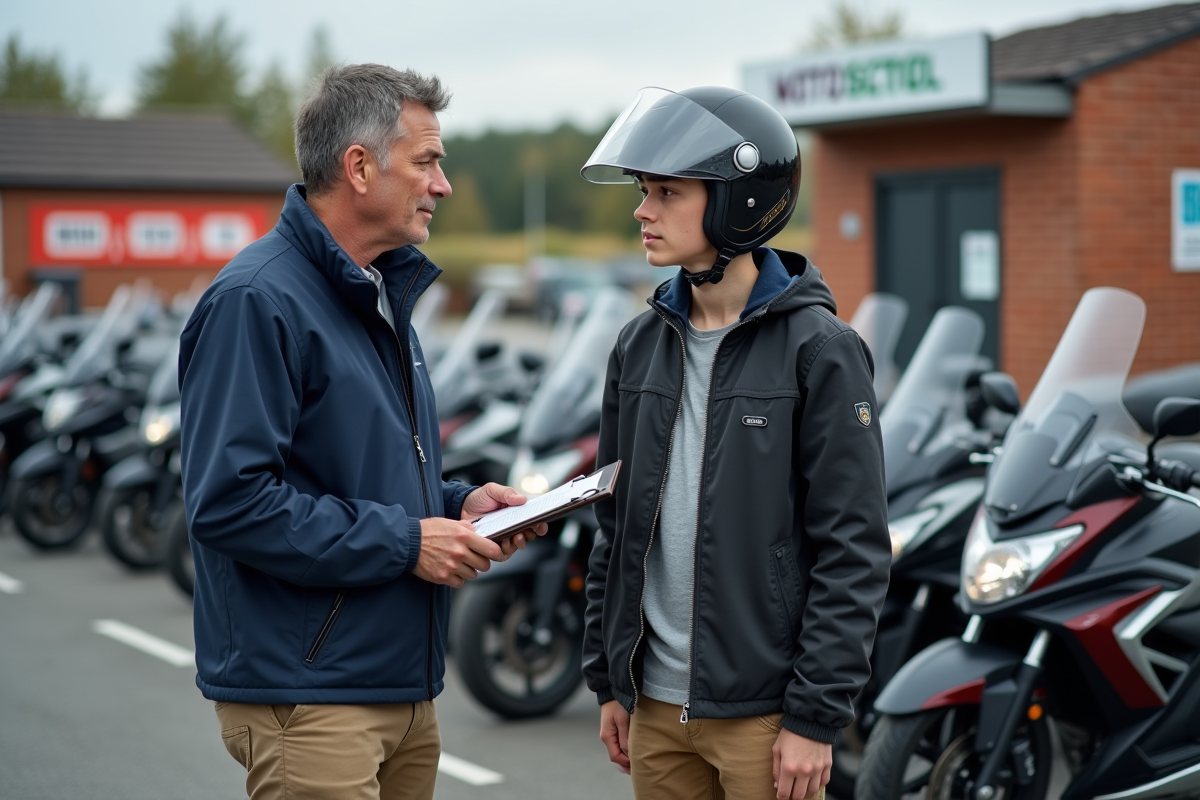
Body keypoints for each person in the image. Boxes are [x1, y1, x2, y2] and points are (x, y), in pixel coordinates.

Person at [178, 64, 544, 800]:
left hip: (400, 692)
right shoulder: (258, 301)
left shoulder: (376, 290)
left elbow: (356, 474)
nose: (441, 184)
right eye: (428, 161)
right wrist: (411, 542)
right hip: (314, 699)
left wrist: (455, 507)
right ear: (359, 166)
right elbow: (230, 503)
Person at [579, 86, 891, 800]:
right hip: (652, 709)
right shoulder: (637, 346)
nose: (642, 210)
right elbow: (613, 525)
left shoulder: (822, 351)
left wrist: (815, 718)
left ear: (737, 202)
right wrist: (608, 680)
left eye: (665, 191)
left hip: (767, 717)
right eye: (642, 190)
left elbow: (854, 548)